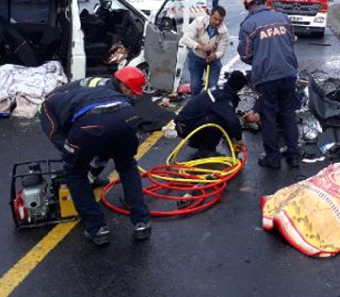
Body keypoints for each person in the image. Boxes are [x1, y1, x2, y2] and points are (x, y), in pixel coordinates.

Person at [39, 67, 151, 246]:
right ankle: (142, 222)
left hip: (91, 122)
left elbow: (58, 135)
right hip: (126, 116)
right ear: (122, 85)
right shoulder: (47, 106)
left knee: (75, 173)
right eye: (133, 91)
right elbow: (58, 132)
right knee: (127, 164)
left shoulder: (72, 96)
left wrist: (72, 155)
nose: (135, 95)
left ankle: (97, 229)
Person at [237, 0, 300, 169]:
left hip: (266, 78)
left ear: (248, 5)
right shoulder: (284, 18)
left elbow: (245, 54)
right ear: (265, 2)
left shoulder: (248, 25)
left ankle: (272, 160)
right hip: (288, 73)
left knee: (269, 118)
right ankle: (293, 156)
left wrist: (259, 59)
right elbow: (291, 41)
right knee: (288, 115)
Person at [174, 71, 247, 159]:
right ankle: (206, 151)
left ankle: (199, 143)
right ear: (239, 89)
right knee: (219, 119)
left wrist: (231, 137)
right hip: (185, 128)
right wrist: (239, 139)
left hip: (185, 124)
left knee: (219, 116)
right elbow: (232, 120)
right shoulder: (223, 97)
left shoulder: (220, 89)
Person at [180, 5, 229, 96]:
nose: (217, 22)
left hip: (213, 60)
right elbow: (185, 39)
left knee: (212, 86)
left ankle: (209, 105)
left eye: (220, 20)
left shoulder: (224, 31)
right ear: (210, 15)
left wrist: (215, 55)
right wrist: (200, 47)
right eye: (215, 19)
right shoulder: (199, 22)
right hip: (196, 56)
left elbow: (221, 50)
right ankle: (195, 105)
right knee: (195, 86)